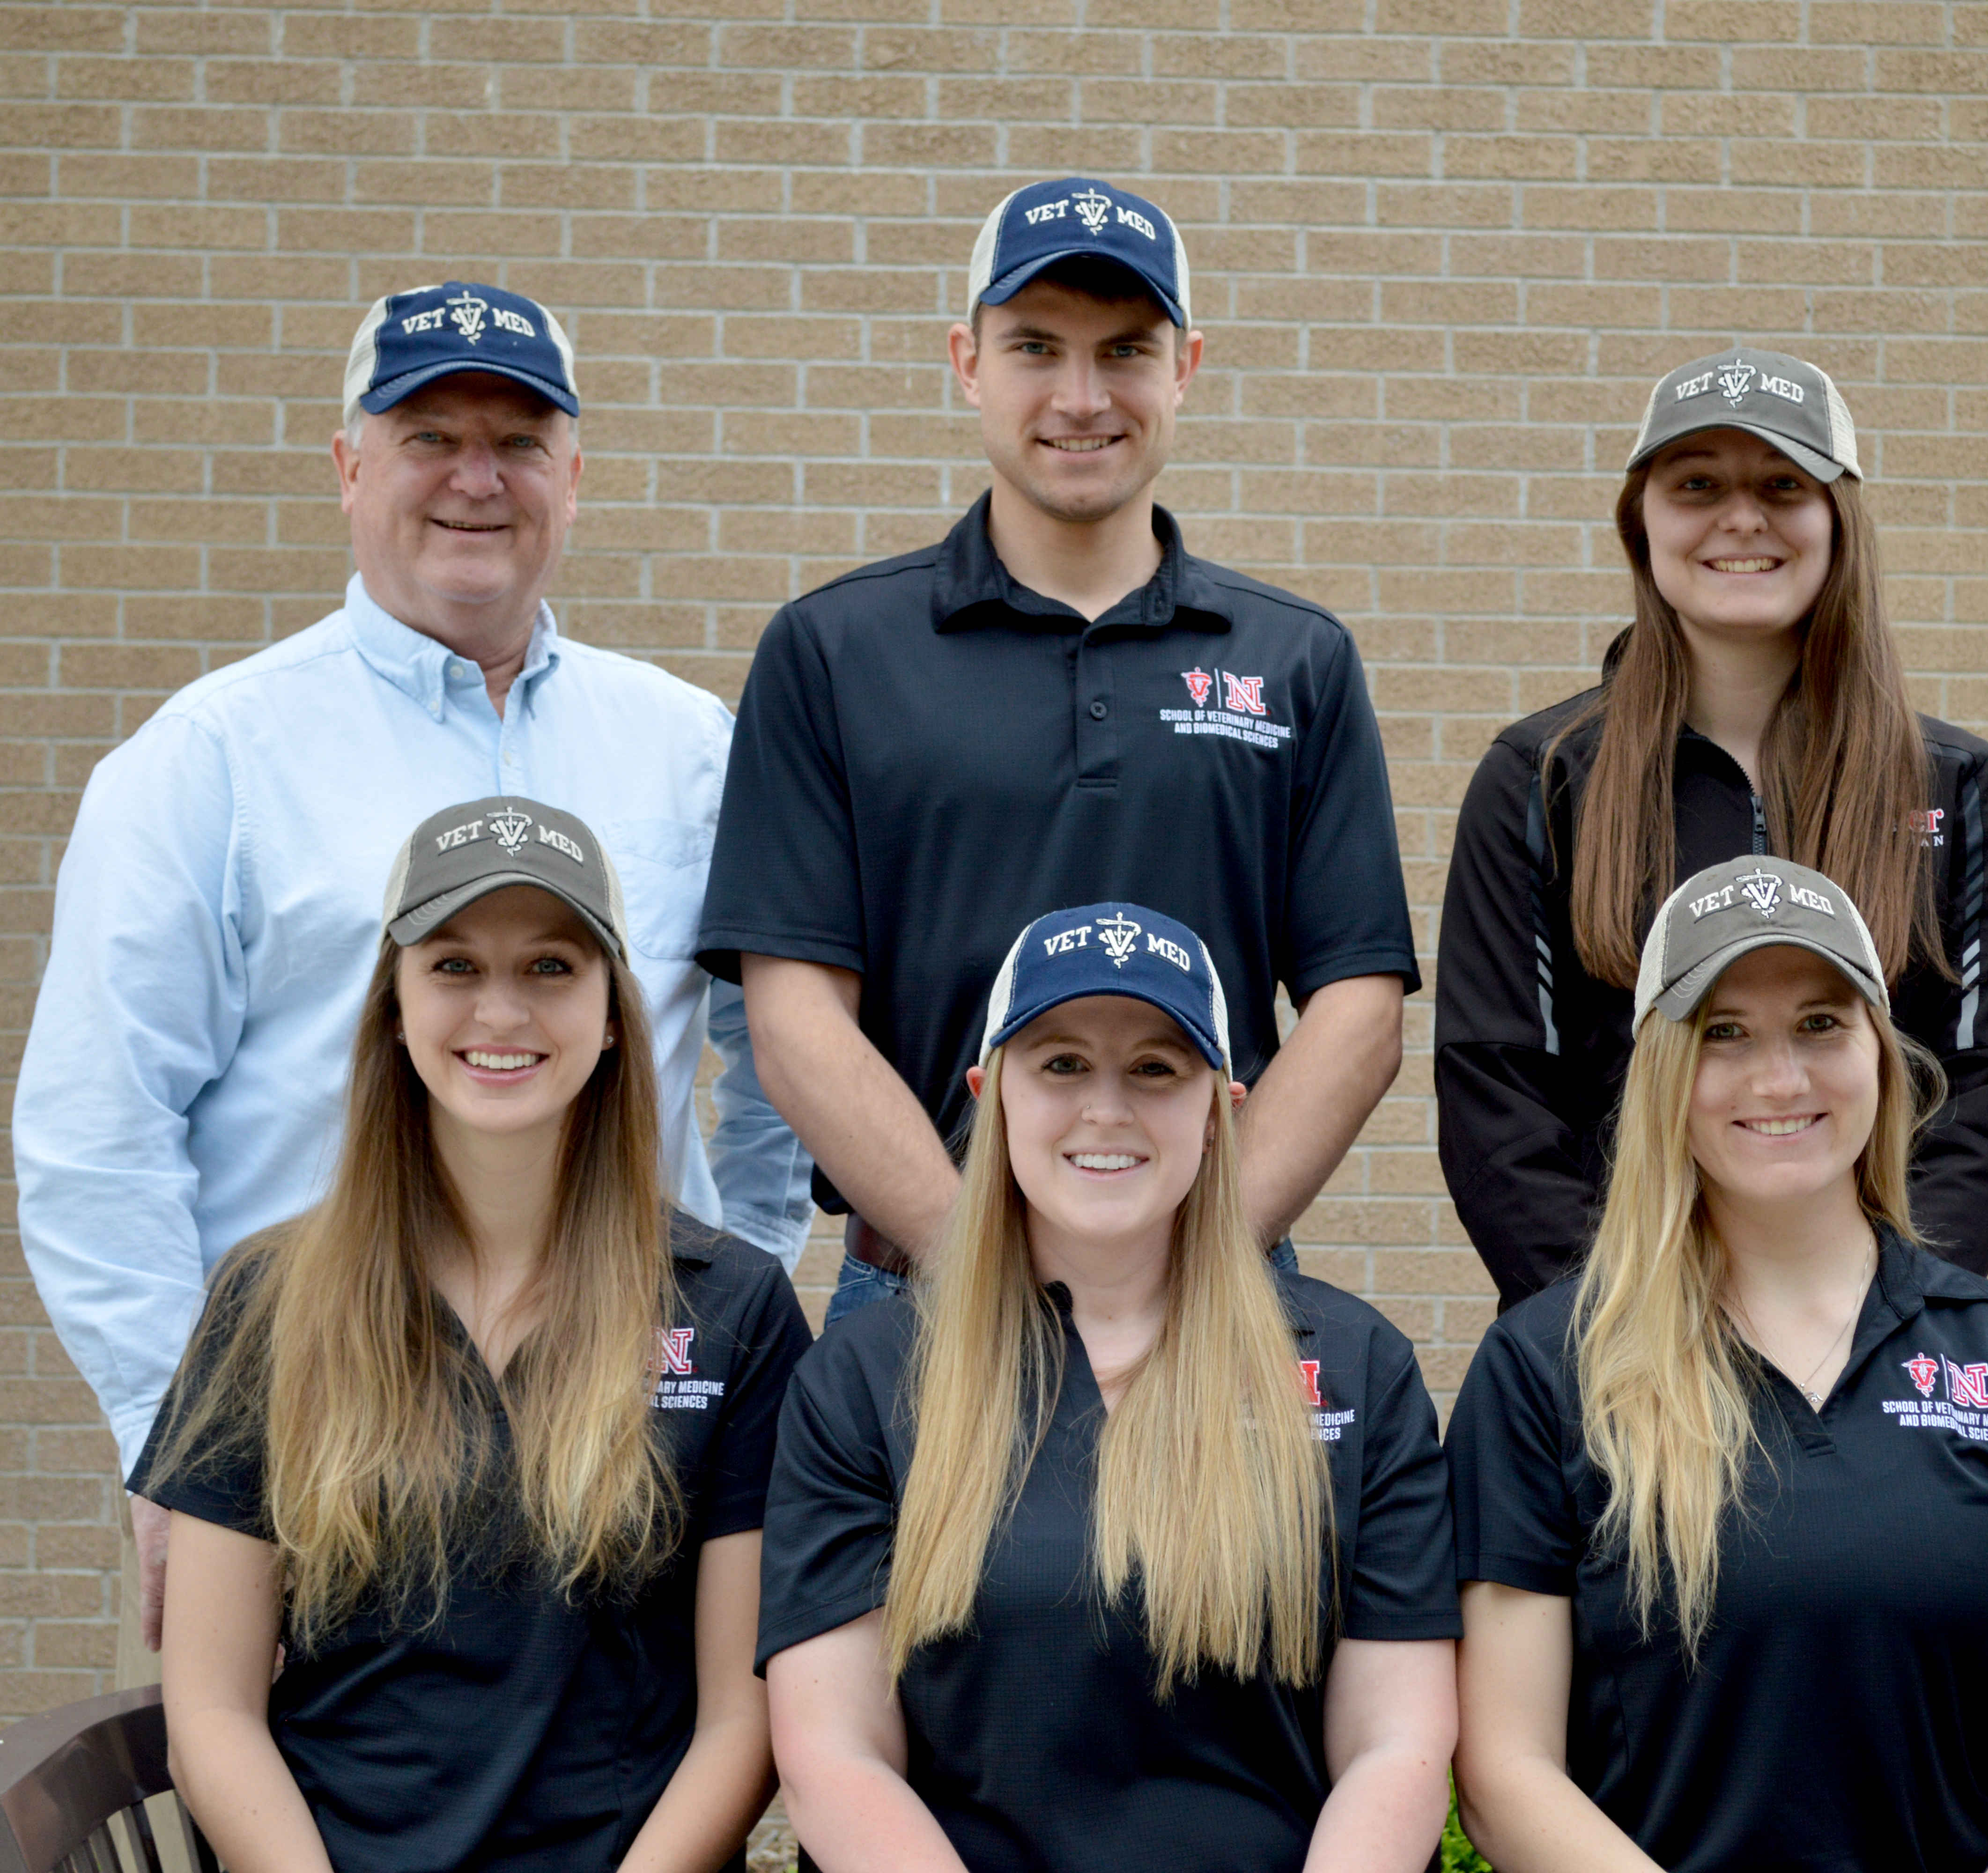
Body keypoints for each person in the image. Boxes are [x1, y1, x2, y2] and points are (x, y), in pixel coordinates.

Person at [13, 280, 813, 1649]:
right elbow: (97, 1133)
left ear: (576, 476)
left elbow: (779, 1066)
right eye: (429, 436)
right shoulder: (209, 761)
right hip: (321, 1449)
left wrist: (735, 1328)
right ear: (348, 468)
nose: (475, 479)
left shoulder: (689, 752)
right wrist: (180, 1453)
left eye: (517, 440)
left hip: (624, 1456)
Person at [702, 176, 1415, 1325]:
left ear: (1184, 365)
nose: (1081, 397)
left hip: (1213, 1294)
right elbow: (793, 1019)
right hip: (918, 1293)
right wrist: (978, 1270)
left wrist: (1185, 1270)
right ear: (966, 361)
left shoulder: (1295, 661)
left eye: (1124, 350)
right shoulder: (834, 651)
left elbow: (1358, 1007)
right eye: (1034, 346)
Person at [134, 799, 812, 1871]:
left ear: (610, 1015)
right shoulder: (268, 1299)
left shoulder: (731, 1307)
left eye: (550, 966)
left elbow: (743, 1716)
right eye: (454, 966)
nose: (501, 1010)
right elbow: (213, 1710)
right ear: (394, 1009)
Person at [1451, 857, 1988, 1873]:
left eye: (1820, 1022)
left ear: (1879, 1052)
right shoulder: (1544, 1369)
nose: (1780, 1077)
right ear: (1661, 1073)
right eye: (1723, 1032)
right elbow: (1506, 1770)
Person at [759, 903, 1458, 1872]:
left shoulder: (1358, 1369)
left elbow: (1396, 1746)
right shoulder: (864, 1380)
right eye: (1060, 1064)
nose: (1106, 1108)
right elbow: (835, 1753)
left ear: (1223, 1112)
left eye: (1156, 1069)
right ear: (988, 1092)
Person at [1436, 347, 1988, 1308]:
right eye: (1696, 484)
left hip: (1870, 1341)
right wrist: (1612, 1322)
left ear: (1836, 519)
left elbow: (1987, 1086)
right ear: (1641, 523)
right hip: (1619, 1341)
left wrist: (1884, 1317)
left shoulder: (1952, 785)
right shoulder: (1544, 777)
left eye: (1781, 485)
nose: (1740, 517)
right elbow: (1496, 1094)